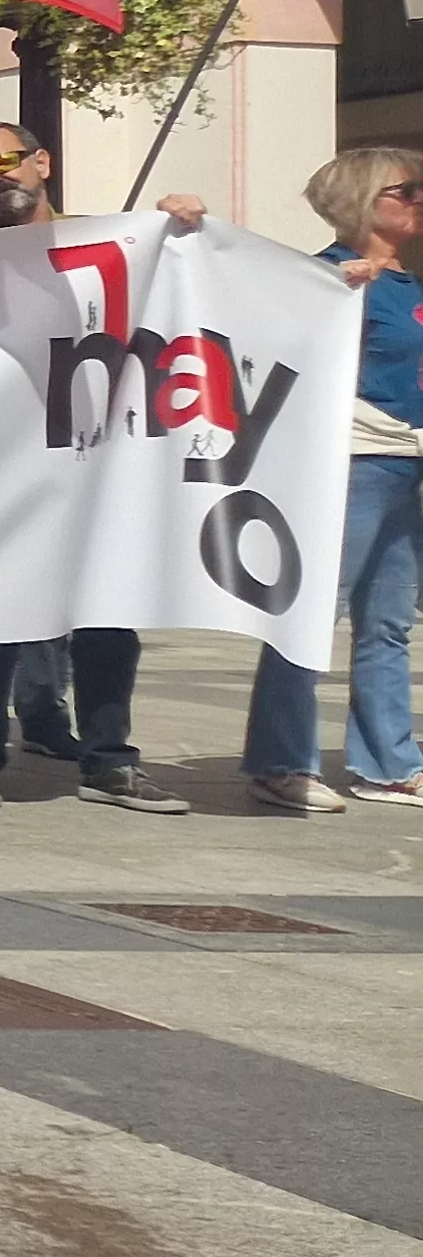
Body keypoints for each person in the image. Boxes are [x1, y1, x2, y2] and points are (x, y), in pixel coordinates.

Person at [0, 120, 212, 810]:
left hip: (95, 461)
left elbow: (183, 278)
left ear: (43, 160)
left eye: (4, 161)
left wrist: (178, 221)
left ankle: (109, 760)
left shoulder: (111, 242)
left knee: (107, 612)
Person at [258, 151, 421, 812]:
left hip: (407, 461)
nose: (417, 199)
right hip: (349, 460)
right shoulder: (326, 277)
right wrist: (331, 296)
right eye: (405, 189)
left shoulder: (408, 285)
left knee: (388, 623)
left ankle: (388, 762)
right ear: (362, 200)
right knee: (311, 616)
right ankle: (279, 760)